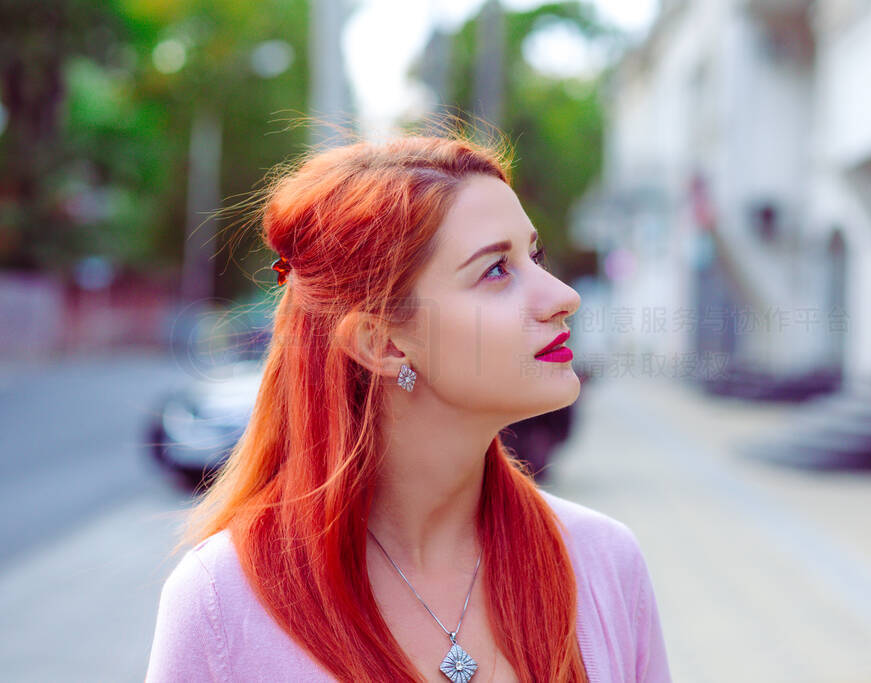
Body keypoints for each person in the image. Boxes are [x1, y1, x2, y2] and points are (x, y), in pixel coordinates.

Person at [145, 130, 671, 682]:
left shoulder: (604, 562)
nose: (564, 296)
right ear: (383, 343)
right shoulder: (222, 603)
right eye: (496, 270)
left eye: (534, 256)